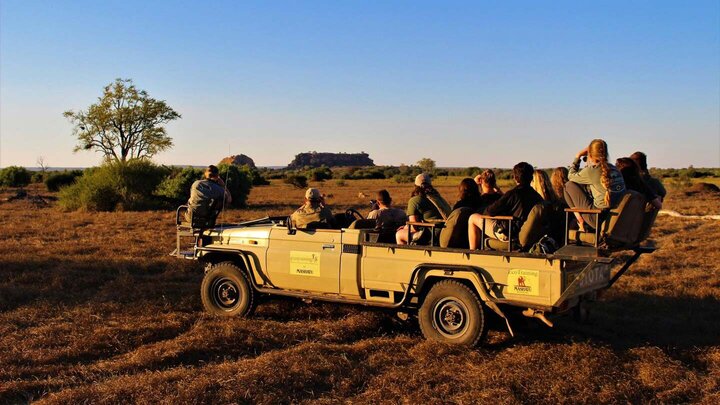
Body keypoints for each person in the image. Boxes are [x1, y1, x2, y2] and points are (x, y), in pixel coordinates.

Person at [468, 162, 543, 249]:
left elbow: (489, 212)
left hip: (508, 232)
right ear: (531, 178)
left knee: (473, 218)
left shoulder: (513, 194)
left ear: (515, 177)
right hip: (525, 231)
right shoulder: (537, 196)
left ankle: (472, 253)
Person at [565, 139, 626, 231]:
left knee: (568, 186)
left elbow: (570, 176)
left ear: (590, 154)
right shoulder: (615, 169)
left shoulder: (592, 171)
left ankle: (579, 220)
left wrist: (578, 156)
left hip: (597, 218)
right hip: (616, 218)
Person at [396, 173, 452, 245]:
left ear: (415, 186)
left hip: (432, 235)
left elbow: (414, 227)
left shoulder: (415, 200)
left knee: (399, 234)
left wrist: (405, 228)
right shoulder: (439, 198)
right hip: (445, 232)